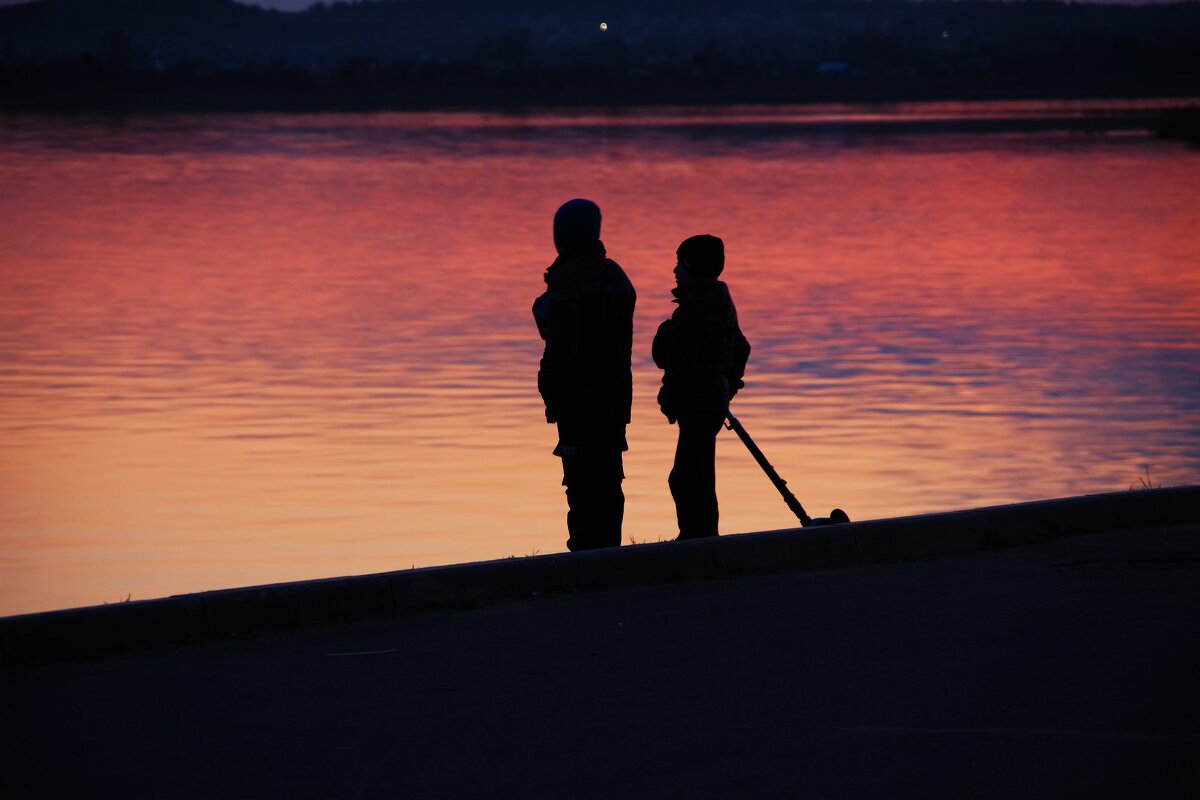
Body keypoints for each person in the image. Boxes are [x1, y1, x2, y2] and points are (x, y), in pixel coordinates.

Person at [533, 199, 637, 551]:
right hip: (614, 398)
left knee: (580, 483)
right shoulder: (616, 275)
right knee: (609, 479)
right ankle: (608, 553)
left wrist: (549, 386)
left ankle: (585, 556)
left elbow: (562, 345)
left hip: (579, 399)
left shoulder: (568, 280)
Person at [652, 234, 750, 540]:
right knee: (696, 473)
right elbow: (742, 348)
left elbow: (682, 363)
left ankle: (697, 539)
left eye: (679, 263)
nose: (675, 270)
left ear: (691, 267)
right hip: (713, 401)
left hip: (696, 402)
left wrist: (668, 398)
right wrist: (728, 385)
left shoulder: (691, 312)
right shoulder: (721, 304)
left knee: (687, 476)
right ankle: (700, 536)